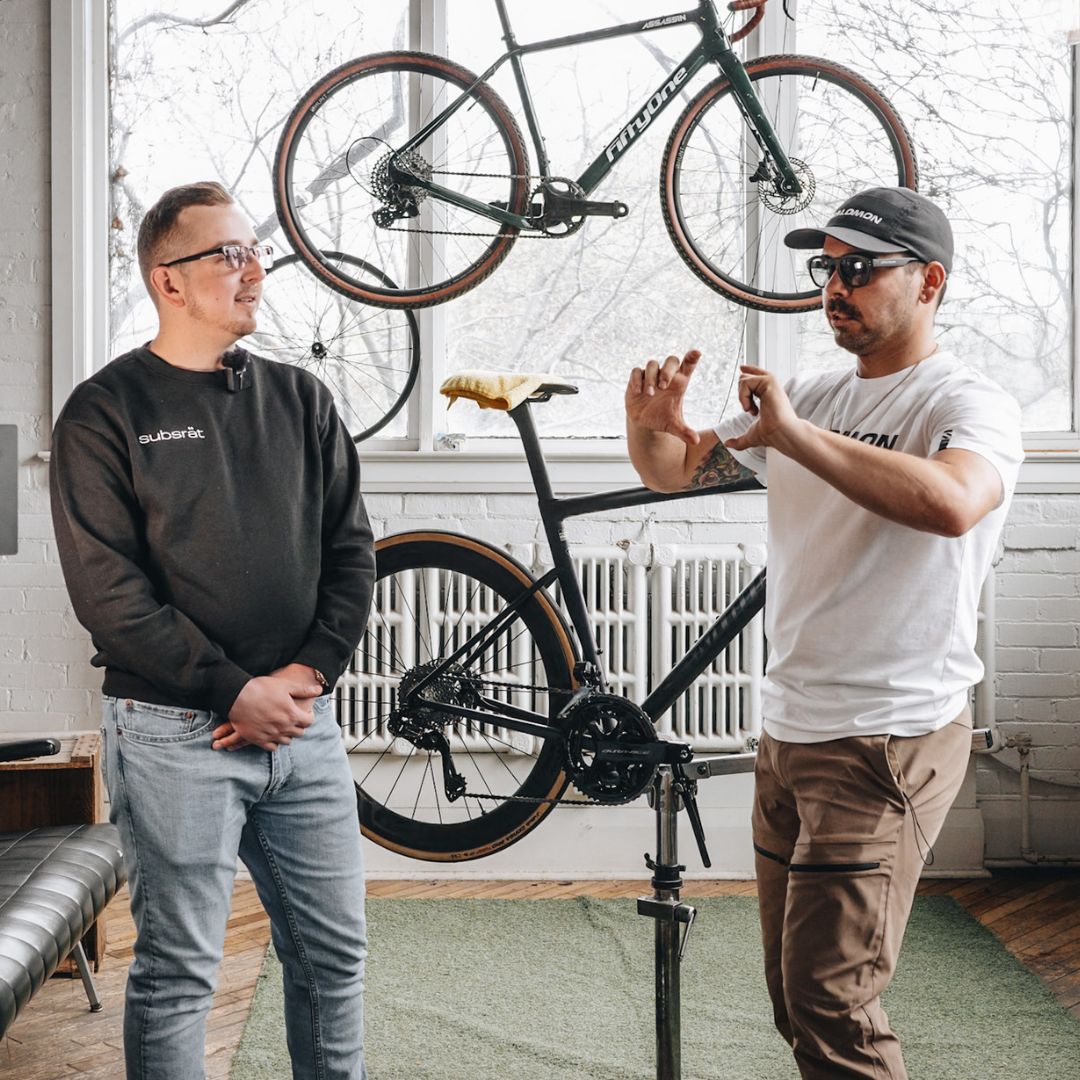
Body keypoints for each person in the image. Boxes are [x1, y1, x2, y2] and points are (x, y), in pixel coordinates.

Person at [625, 187, 1023, 1079]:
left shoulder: (966, 401)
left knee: (831, 1000)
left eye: (859, 269)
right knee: (793, 992)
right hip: (792, 729)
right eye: (826, 268)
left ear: (929, 282)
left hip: (888, 737)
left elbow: (954, 503)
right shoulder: (808, 397)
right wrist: (647, 431)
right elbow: (676, 472)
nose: (834, 286)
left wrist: (799, 439)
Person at [50, 181, 374, 1080]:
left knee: (334, 959)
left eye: (254, 251)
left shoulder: (302, 401)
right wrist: (235, 691)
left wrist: (305, 676)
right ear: (170, 281)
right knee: (180, 971)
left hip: (303, 729)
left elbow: (353, 555)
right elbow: (108, 595)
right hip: (172, 733)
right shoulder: (103, 411)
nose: (254, 270)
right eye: (228, 254)